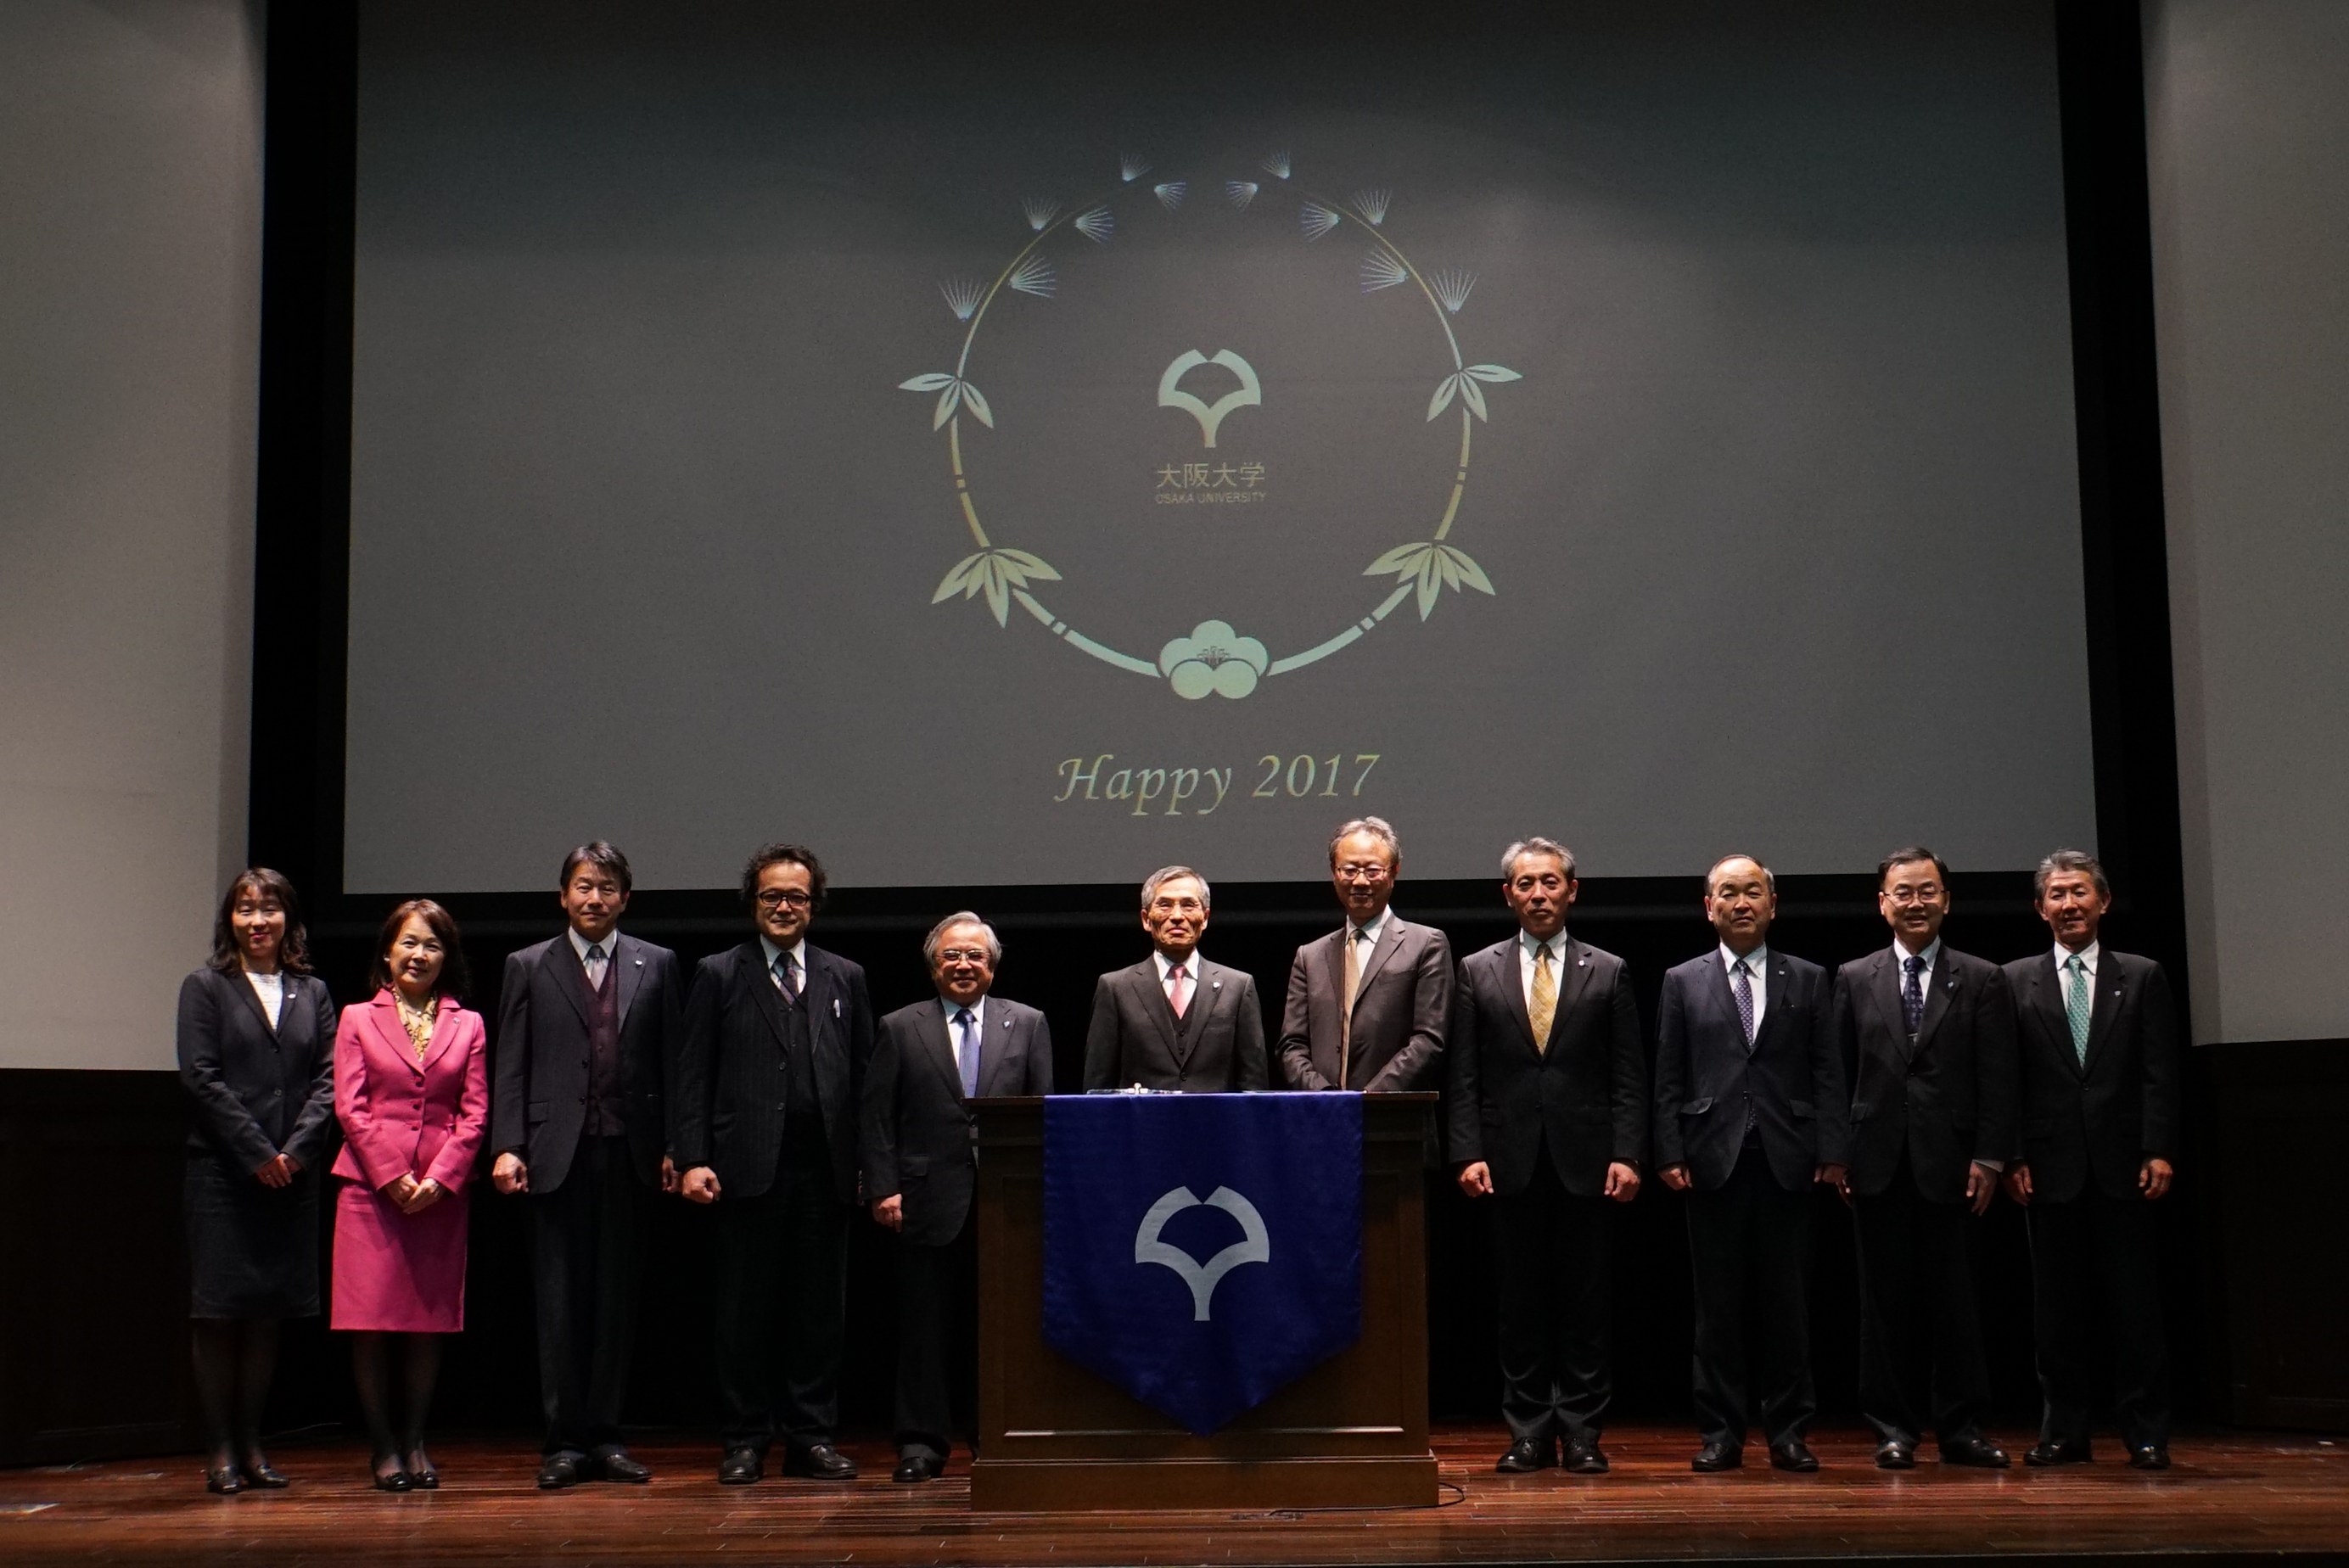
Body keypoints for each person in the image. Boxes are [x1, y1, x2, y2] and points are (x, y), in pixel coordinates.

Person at [672, 843, 874, 1485]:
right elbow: (692, 1072)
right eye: (772, 896)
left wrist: (870, 1165)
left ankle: (811, 1438)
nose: (784, 907)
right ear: (753, 903)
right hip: (744, 1168)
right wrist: (693, 1156)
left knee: (819, 1313)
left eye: (796, 897)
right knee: (744, 1312)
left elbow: (865, 1078)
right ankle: (745, 1439)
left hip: (826, 1170)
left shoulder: (846, 976)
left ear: (814, 905)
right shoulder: (718, 973)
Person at [1446, 837, 1647, 1475]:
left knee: (1586, 1305)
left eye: (1551, 882)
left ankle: (1583, 1433)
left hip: (1588, 1160)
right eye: (1526, 883)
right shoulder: (1476, 969)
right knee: (1520, 1307)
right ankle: (1529, 1432)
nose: (1539, 894)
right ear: (1508, 894)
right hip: (1506, 1161)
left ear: (1572, 891)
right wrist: (1466, 1151)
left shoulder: (1607, 969)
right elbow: (1464, 1074)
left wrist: (1629, 1153)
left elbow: (1628, 1074)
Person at [490, 843, 685, 1489]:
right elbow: (511, 1062)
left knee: (615, 1302)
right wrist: (508, 1144)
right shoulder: (528, 965)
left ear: (625, 898)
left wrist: (676, 1146)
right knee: (559, 1302)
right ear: (563, 896)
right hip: (553, 1153)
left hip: (630, 1152)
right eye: (582, 886)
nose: (593, 898)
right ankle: (564, 1443)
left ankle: (606, 1437)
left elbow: (673, 1062)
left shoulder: (658, 963)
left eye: (606, 888)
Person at [1652, 854, 1848, 1473]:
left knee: (1788, 1307)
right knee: (1717, 1311)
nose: (1742, 903)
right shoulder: (1682, 980)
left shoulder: (1808, 978)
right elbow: (1668, 1073)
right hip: (1711, 1160)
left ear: (1772, 904)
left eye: (1753, 892)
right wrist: (1669, 1149)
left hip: (1790, 1160)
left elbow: (1827, 1069)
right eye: (1729, 893)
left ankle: (1789, 1432)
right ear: (1709, 907)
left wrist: (1834, 1150)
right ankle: (1721, 1433)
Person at [1833, 847, 2017, 1470]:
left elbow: (1998, 1077)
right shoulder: (1853, 977)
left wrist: (1990, 1158)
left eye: (1927, 891)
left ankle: (1961, 1428)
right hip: (1875, 1162)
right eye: (1903, 892)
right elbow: (1838, 1074)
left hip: (1956, 1165)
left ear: (1947, 899)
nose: (1916, 903)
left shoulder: (1983, 978)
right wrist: (1840, 1154)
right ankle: (1892, 1429)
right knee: (1883, 1307)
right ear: (1882, 903)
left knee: (1957, 1304)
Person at [2001, 849, 2180, 1470]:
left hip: (2125, 1165)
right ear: (2040, 908)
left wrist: (2159, 1147)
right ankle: (2064, 1433)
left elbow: (2160, 1071)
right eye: (2056, 894)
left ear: (2103, 901)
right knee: (2057, 1313)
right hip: (2046, 1169)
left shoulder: (2143, 975)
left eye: (2079, 892)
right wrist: (2013, 1155)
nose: (2069, 904)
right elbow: (2006, 1078)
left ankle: (2147, 1434)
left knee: (2136, 1309)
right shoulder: (2013, 980)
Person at [861, 913, 1054, 1482]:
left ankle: (996, 1437)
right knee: (925, 1330)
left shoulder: (1028, 1023)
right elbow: (877, 1116)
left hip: (1007, 1203)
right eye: (952, 956)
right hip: (923, 1200)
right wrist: (883, 1187)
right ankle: (921, 1445)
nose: (964, 965)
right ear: (933, 967)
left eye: (975, 955)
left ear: (992, 966)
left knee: (1002, 1328)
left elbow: (1043, 1113)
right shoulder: (900, 1026)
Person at [176, 868, 338, 1493]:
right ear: (231, 920)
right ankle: (220, 1450)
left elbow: (329, 1079)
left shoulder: (312, 992)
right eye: (246, 909)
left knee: (268, 1315)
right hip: (223, 1174)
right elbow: (201, 1078)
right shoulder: (206, 987)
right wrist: (257, 1153)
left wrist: (294, 1153)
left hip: (291, 1175)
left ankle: (252, 1445)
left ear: (288, 919)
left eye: (269, 908)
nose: (258, 920)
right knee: (219, 1314)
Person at [331, 899, 489, 1492]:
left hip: (439, 1195)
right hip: (370, 1191)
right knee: (370, 1324)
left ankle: (416, 1441)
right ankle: (382, 1447)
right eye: (409, 943)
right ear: (388, 952)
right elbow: (350, 1106)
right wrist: (392, 1174)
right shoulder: (356, 1017)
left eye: (432, 945)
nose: (419, 955)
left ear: (447, 957)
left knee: (427, 1324)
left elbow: (475, 1113)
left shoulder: (469, 1023)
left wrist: (442, 1178)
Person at [1278, 818, 1452, 1093]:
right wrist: (1326, 1097)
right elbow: (1292, 1045)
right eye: (1349, 870)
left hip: (1394, 1113)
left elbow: (1429, 1039)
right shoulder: (1309, 957)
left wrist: (1368, 1100)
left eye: (1372, 870)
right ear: (1334, 873)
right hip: (1324, 1112)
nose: (1360, 881)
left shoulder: (1426, 945)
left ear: (1394, 872)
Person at [1083, 865, 1268, 1092]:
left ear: (1205, 917)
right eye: (1165, 905)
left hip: (1217, 1116)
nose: (1177, 916)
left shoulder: (1238, 987)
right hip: (1142, 1116)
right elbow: (1098, 1083)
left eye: (1189, 905)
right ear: (1146, 919)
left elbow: (1254, 1083)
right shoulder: (1115, 988)